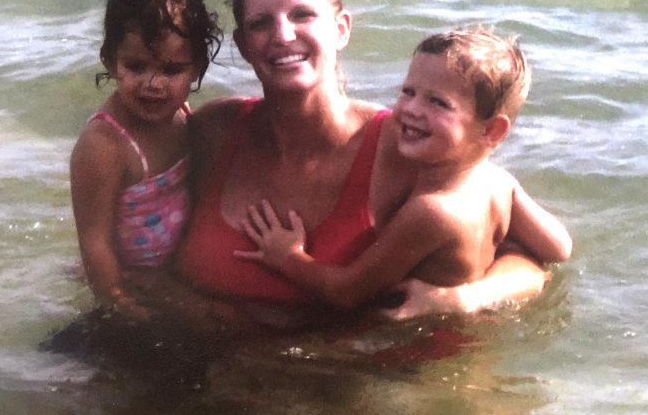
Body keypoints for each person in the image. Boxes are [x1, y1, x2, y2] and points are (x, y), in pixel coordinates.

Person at [174, 0, 550, 328]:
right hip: (206, 371)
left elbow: (532, 262)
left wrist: (463, 298)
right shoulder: (214, 131)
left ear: (341, 29)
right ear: (243, 45)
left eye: (302, 15)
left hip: (363, 383)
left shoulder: (406, 144)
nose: (283, 35)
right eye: (260, 23)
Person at [235, 27, 572, 313]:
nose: (411, 109)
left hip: (419, 359)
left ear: (492, 131)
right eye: (408, 92)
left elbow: (346, 292)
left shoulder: (431, 211)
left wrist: (288, 256)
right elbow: (558, 249)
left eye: (437, 102)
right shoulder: (498, 182)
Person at [70, 0, 222, 322]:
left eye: (171, 70)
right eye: (136, 67)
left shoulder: (182, 116)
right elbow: (95, 244)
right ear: (111, 62)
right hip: (133, 285)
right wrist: (120, 305)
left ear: (196, 68)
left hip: (169, 274)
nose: (153, 84)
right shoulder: (105, 146)